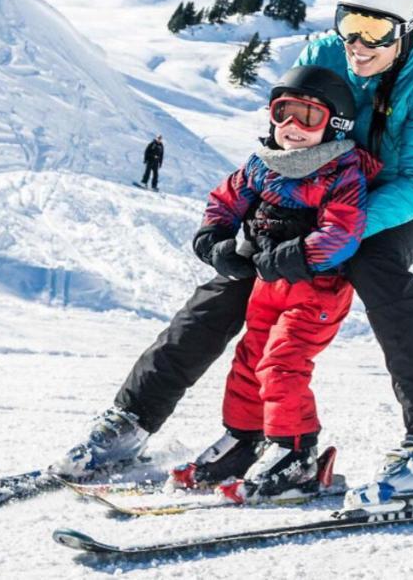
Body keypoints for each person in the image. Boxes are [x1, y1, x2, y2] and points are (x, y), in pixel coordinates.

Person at [55, 0, 413, 508]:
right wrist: (239, 225)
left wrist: (334, 235)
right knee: (237, 275)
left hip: (393, 205)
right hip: (310, 196)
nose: (358, 44)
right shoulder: (324, 53)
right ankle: (133, 419)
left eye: (377, 31)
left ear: (409, 28)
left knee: (374, 267)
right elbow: (284, 143)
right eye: (351, 24)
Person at [167, 66, 380, 503]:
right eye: (283, 113)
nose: (291, 128)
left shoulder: (340, 171)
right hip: (268, 287)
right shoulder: (262, 165)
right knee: (249, 361)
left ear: (335, 123)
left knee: (282, 365)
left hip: (316, 290)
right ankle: (245, 439)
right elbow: (224, 201)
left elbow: (343, 232)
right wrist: (214, 240)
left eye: (307, 116)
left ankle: (297, 452)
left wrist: (295, 255)